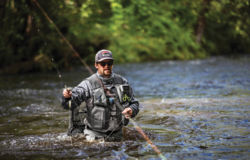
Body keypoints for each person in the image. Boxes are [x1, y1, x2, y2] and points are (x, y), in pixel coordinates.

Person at [61, 49, 140, 142]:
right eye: (103, 64)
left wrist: (131, 110)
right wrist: (67, 96)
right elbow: (72, 99)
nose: (107, 66)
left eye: (109, 63)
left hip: (117, 135)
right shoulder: (88, 84)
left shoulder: (122, 82)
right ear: (96, 65)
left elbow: (134, 103)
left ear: (112, 64)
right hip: (93, 136)